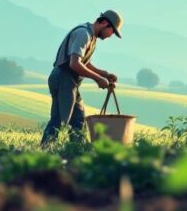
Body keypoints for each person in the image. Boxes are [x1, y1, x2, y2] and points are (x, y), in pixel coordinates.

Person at [40, 9, 124, 146]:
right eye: (112, 32)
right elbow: (74, 64)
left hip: (70, 81)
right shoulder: (83, 34)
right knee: (60, 120)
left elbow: (84, 62)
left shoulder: (92, 36)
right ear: (104, 23)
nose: (111, 35)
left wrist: (104, 74)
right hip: (63, 77)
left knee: (78, 120)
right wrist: (97, 79)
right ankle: (45, 150)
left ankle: (77, 151)